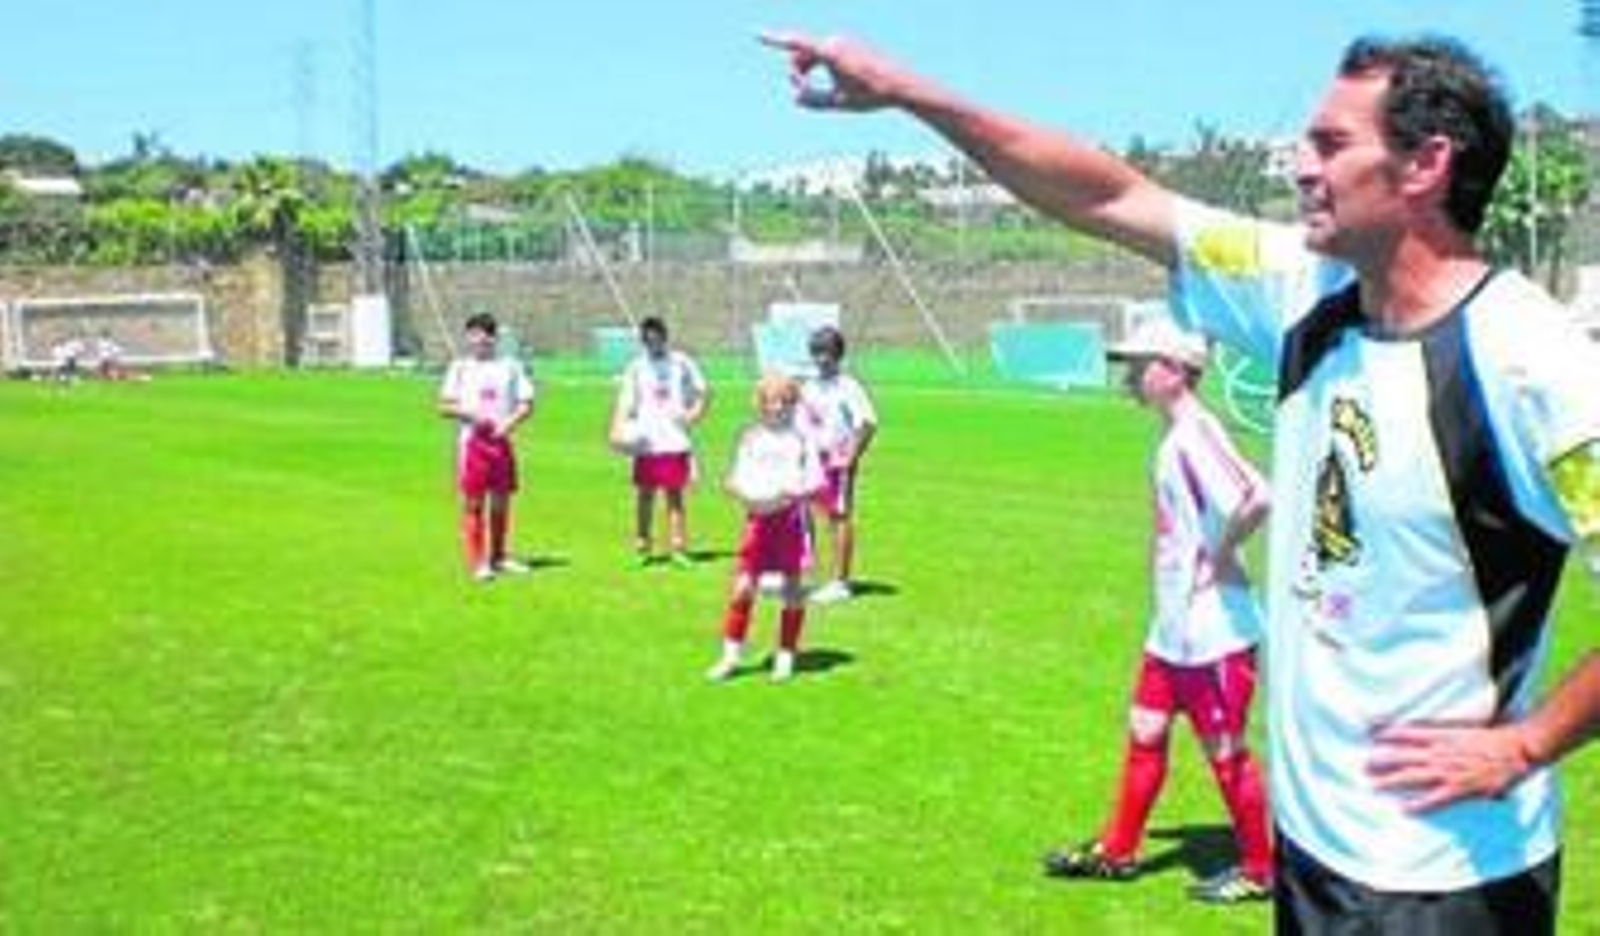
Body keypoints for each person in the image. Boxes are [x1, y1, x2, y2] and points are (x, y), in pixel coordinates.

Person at [763, 30, 1600, 933]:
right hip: (1315, 855)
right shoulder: (1305, 290)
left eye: (1331, 144)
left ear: (1426, 164)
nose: (1299, 166)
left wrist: (1526, 743)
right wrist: (905, 92)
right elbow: (1112, 195)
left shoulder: (1532, 364)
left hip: (1449, 880)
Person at [1042, 317, 1273, 905]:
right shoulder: (1176, 436)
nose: (1131, 375)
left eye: (1140, 364)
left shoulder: (1195, 433)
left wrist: (1217, 556)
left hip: (1213, 630)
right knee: (1145, 729)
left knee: (1224, 751)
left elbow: (1255, 495)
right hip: (1173, 629)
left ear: (1174, 371)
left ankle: (1259, 869)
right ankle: (1118, 852)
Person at [707, 373, 826, 683]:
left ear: (793, 405)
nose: (777, 408)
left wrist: (797, 492)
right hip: (758, 521)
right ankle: (730, 657)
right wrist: (736, 488)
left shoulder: (802, 439)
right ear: (759, 404)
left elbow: (817, 480)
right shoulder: (749, 437)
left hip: (789, 522)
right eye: (771, 402)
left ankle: (786, 656)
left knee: (792, 589)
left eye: (785, 402)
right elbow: (736, 477)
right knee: (743, 588)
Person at [438, 312, 536, 583]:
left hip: (501, 443)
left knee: (502, 500)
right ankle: (477, 561)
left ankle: (499, 556)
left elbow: (527, 404)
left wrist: (509, 425)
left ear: (493, 338)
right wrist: (471, 416)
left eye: (482, 336)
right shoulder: (460, 368)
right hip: (472, 444)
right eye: (472, 336)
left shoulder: (510, 367)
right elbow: (444, 406)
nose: (477, 341)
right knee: (474, 502)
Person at [612, 315, 711, 567]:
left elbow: (703, 391)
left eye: (657, 339)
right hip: (647, 443)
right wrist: (618, 430)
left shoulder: (681, 362)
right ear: (643, 341)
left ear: (665, 337)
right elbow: (625, 403)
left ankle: (678, 548)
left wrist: (693, 415)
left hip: (675, 441)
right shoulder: (636, 367)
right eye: (647, 341)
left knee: (675, 496)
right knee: (645, 495)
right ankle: (643, 546)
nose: (653, 344)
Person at [798, 326, 878, 603]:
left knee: (839, 516)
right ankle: (808, 570)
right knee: (809, 512)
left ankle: (841, 582)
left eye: (827, 353)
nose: (822, 359)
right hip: (813, 460)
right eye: (817, 353)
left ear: (838, 355)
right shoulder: (808, 386)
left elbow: (867, 423)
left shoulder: (849, 387)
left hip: (836, 461)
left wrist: (851, 456)